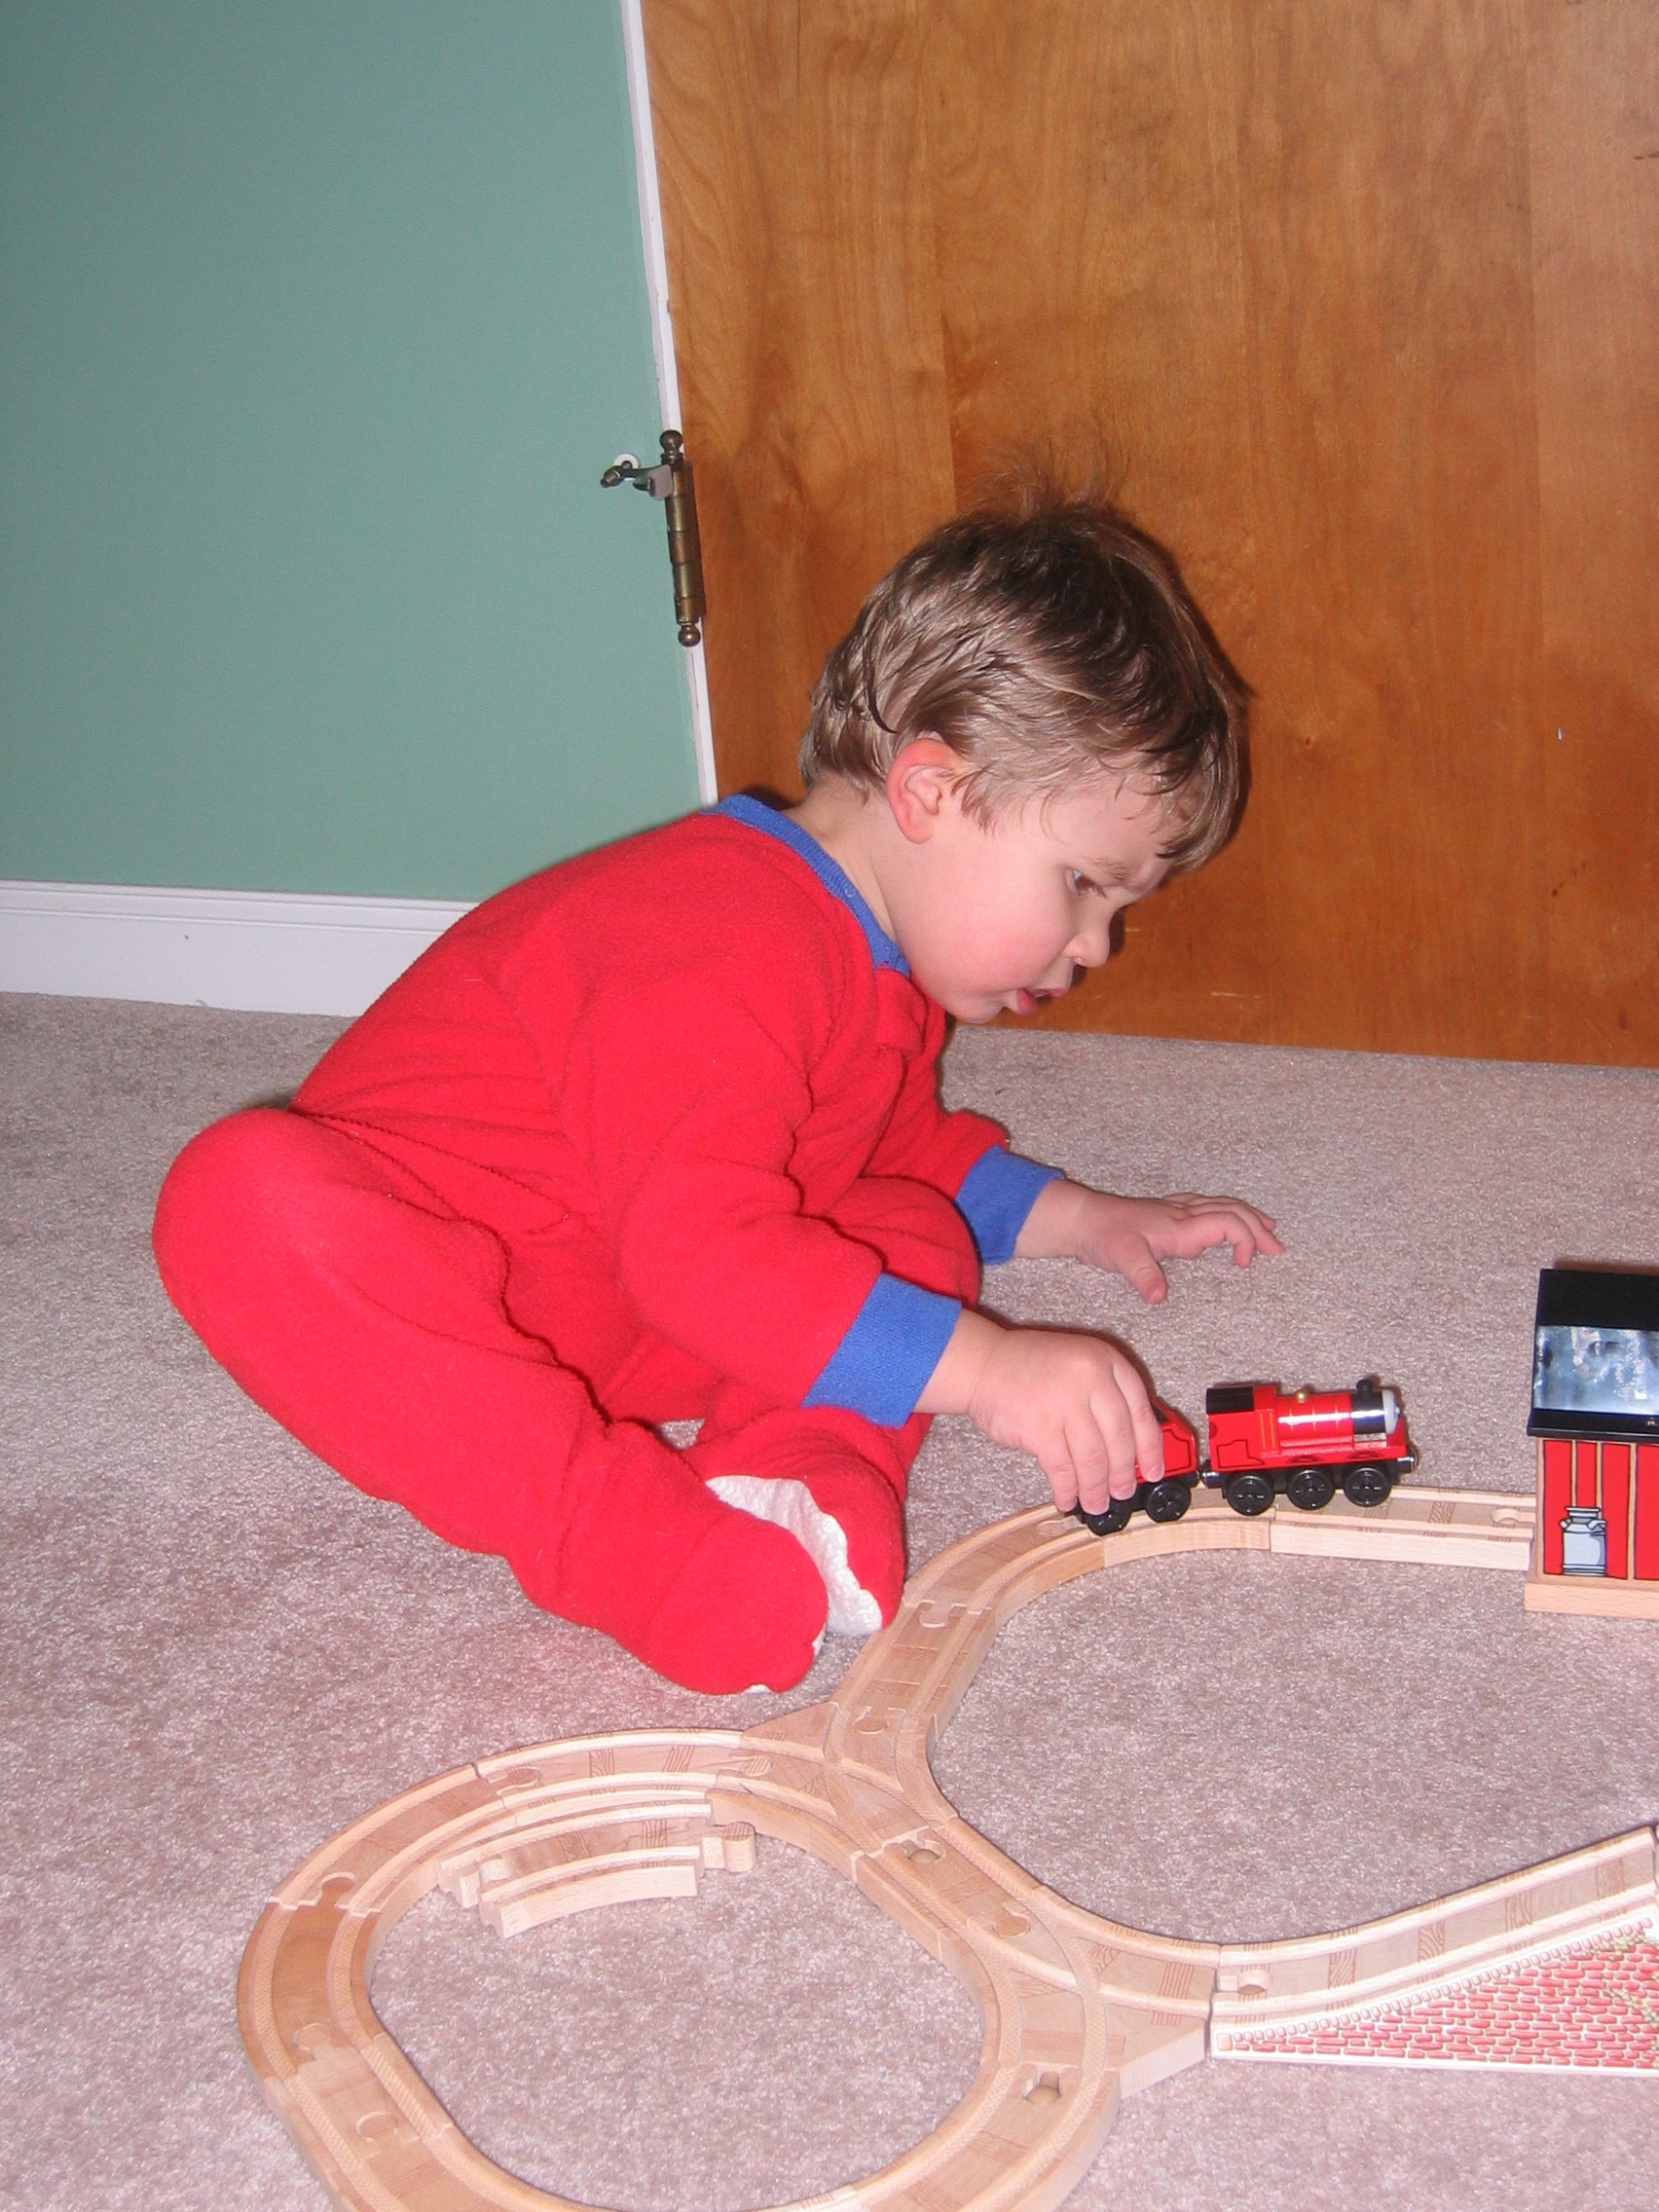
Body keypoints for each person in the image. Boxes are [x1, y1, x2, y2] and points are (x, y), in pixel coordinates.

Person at [152, 491, 1280, 1694]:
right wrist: (989, 1368)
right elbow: (702, 1254)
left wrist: (1082, 1216)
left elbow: (893, 1147)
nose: (1097, 944)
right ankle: (620, 1540)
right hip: (445, 1301)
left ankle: (787, 1482)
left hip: (624, 1301)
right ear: (930, 792)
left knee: (906, 1227)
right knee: (237, 1195)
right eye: (1083, 885)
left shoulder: (879, 973)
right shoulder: (717, 926)